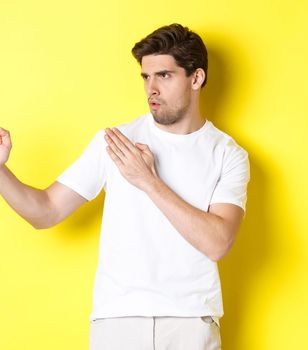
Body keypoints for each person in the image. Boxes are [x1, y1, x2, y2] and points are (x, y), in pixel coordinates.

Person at [0, 23, 249, 350]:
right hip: (118, 323)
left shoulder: (227, 154)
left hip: (190, 322)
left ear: (196, 78)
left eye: (164, 75)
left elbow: (217, 242)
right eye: (146, 77)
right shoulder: (116, 142)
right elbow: (44, 212)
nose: (151, 89)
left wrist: (147, 181)